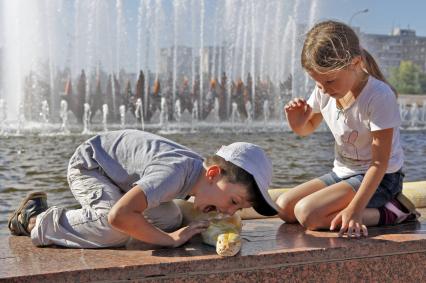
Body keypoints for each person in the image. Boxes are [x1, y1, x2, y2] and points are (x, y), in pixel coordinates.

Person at [8, 129, 279, 248]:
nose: (228, 211)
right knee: (113, 226)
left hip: (122, 180)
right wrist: (171, 240)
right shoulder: (173, 173)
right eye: (233, 201)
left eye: (237, 209)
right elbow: (119, 216)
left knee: (170, 218)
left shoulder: (194, 175)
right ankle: (37, 218)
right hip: (92, 167)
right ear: (212, 173)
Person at [277, 20, 420, 238]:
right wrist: (295, 121)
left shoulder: (378, 96)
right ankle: (353, 206)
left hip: (382, 179)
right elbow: (305, 129)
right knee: (285, 207)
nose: (324, 89)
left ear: (355, 63)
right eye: (318, 84)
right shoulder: (326, 90)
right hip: (344, 173)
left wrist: (355, 210)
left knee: (308, 215)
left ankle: (392, 212)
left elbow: (379, 164)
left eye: (330, 81)